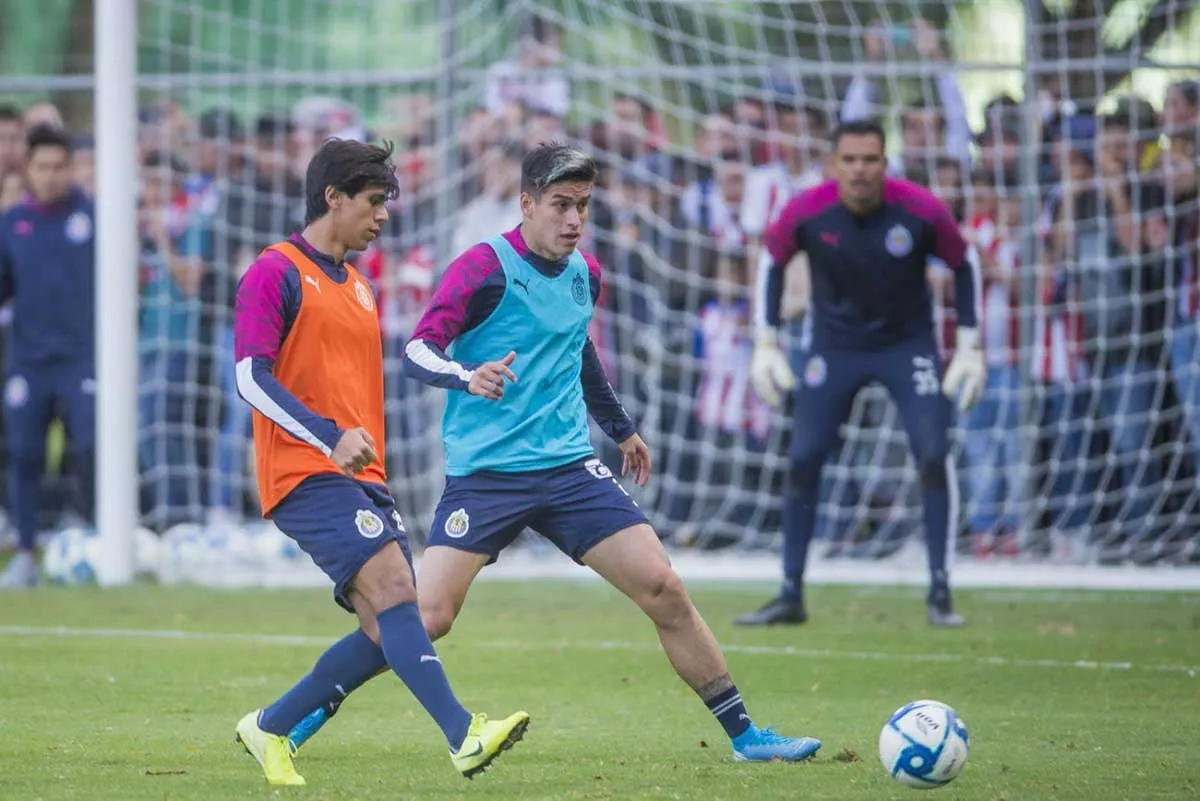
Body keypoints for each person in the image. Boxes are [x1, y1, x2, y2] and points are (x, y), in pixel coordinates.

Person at [282, 142, 822, 764]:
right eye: (561, 205)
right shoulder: (482, 268)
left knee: (663, 587)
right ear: (527, 204)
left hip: (569, 470)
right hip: (487, 476)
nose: (573, 220)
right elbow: (417, 351)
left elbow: (578, 346)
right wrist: (468, 375)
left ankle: (746, 736)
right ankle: (295, 717)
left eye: (583, 207)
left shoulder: (585, 273)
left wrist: (620, 427)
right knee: (420, 616)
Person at [230, 138, 528, 786]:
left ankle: (272, 725)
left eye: (387, 202)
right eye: (373, 201)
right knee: (398, 591)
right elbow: (251, 377)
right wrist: (328, 435)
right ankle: (464, 733)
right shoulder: (274, 270)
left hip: (361, 477)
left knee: (388, 625)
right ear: (331, 197)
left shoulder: (361, 286)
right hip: (305, 471)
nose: (384, 215)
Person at [738, 119, 984, 629]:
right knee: (803, 459)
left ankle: (940, 592)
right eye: (849, 160)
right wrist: (765, 340)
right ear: (833, 164)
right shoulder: (807, 210)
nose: (859, 169)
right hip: (834, 346)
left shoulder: (920, 208)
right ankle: (790, 593)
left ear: (885, 163)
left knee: (934, 454)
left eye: (870, 159)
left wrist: (969, 344)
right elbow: (771, 260)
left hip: (907, 345)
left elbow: (964, 263)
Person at [0, 126, 96, 588]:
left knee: (93, 445)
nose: (52, 175)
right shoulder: (10, 225)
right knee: (23, 453)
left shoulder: (95, 217)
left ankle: (96, 538)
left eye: (60, 167)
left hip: (83, 360)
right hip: (29, 363)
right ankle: (25, 552)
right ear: (28, 170)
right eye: (43, 167)